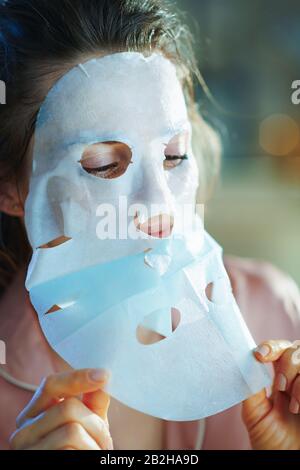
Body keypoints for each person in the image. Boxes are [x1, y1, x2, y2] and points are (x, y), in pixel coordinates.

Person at [0, 0, 300, 450]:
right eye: (102, 165)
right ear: (11, 188)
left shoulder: (273, 314)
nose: (159, 204)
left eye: (175, 156)